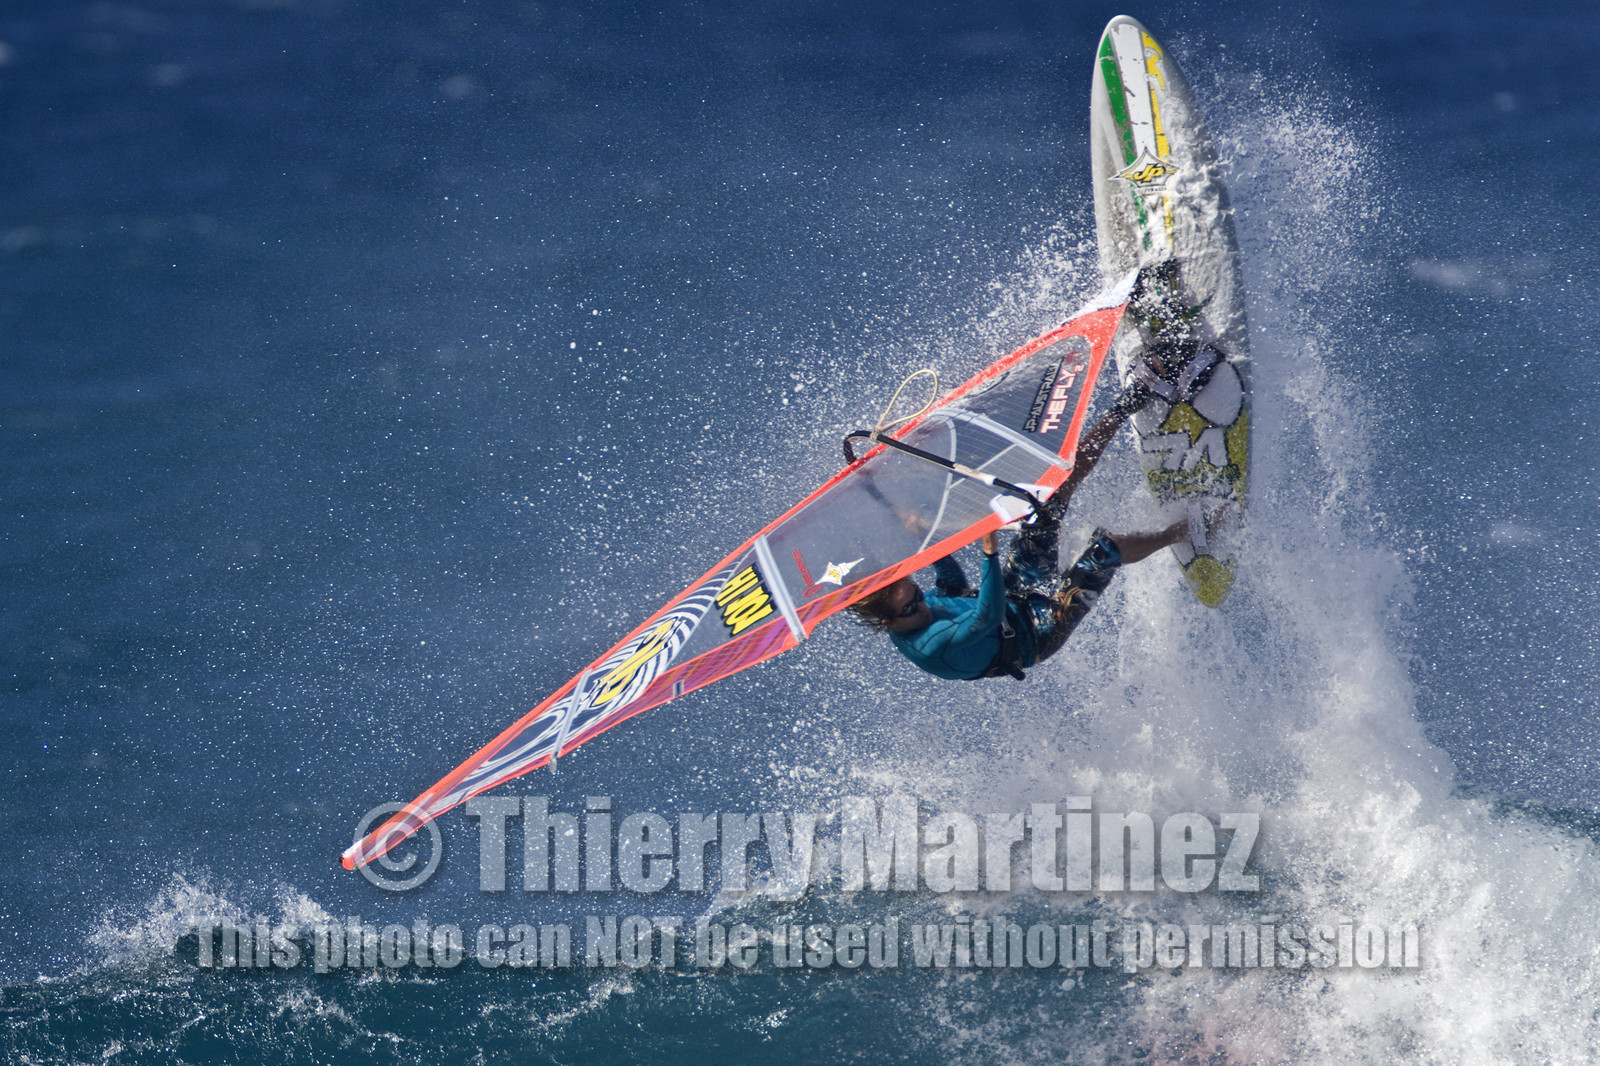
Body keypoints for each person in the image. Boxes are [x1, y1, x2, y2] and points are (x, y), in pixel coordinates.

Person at [851, 268, 1221, 681]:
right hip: (1034, 632)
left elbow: (951, 586)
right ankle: (1186, 529)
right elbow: (984, 618)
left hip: (1012, 594)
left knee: (1053, 490)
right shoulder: (929, 643)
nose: (921, 605)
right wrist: (989, 551)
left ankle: (1137, 395)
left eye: (915, 595)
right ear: (888, 623)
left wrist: (928, 538)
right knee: (1105, 550)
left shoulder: (913, 607)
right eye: (910, 609)